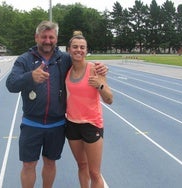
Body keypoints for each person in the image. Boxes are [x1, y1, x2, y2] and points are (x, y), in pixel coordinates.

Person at [6, 21, 108, 188]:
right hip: (32, 123)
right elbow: (10, 84)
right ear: (36, 37)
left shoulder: (64, 59)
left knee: (50, 163)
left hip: (57, 124)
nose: (47, 40)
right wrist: (30, 76)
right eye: (44, 37)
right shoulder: (24, 60)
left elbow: (81, 62)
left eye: (51, 37)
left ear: (56, 39)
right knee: (28, 165)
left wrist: (101, 67)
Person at [65, 31, 113, 188]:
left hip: (92, 124)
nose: (78, 50)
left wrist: (99, 85)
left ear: (86, 50)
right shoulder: (67, 69)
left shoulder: (95, 69)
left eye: (82, 47)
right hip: (72, 124)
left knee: (94, 173)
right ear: (69, 50)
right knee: (82, 166)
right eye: (75, 47)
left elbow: (109, 99)